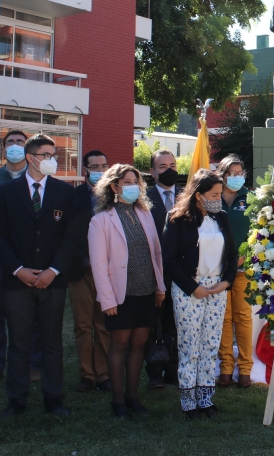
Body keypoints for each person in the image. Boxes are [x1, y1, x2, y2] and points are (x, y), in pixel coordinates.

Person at [0, 134, 77, 418]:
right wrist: (18, 270)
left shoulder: (65, 193)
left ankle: (53, 398)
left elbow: (70, 237)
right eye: (46, 155)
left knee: (52, 341)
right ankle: (16, 399)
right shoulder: (6, 192)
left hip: (52, 281)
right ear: (31, 158)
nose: (52, 160)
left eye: (54, 155)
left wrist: (53, 270)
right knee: (18, 341)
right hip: (17, 281)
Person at [88, 164, 166, 419]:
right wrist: (107, 299)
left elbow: (156, 253)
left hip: (145, 289)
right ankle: (118, 401)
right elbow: (99, 265)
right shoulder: (101, 220)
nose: (133, 186)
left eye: (136, 181)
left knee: (139, 344)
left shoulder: (144, 213)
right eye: (127, 181)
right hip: (120, 294)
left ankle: (133, 397)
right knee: (119, 344)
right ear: (114, 186)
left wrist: (159, 287)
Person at [162, 170, 238, 420]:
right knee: (190, 345)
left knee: (210, 344)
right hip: (189, 289)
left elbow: (232, 256)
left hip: (216, 288)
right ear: (198, 195)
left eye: (219, 193)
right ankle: (188, 400)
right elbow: (169, 260)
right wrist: (192, 287)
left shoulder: (222, 218)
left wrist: (226, 281)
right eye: (214, 194)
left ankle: (206, 399)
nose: (219, 198)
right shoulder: (177, 219)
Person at [0, 130, 42, 386]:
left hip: (28, 259)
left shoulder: (37, 178)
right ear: (3, 148)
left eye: (19, 142)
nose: (14, 146)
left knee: (31, 314)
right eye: (9, 142)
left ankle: (32, 364)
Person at [68, 150, 111, 393]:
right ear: (85, 170)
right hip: (81, 270)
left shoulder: (115, 198)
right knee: (83, 325)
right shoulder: (72, 197)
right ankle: (87, 374)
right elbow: (66, 236)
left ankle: (103, 374)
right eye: (94, 166)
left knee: (104, 324)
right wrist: (86, 261)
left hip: (108, 272)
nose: (100, 170)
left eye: (103, 165)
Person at [145, 148, 182, 388]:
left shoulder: (187, 196)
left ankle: (174, 370)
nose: (169, 171)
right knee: (153, 322)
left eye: (173, 166)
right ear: (152, 172)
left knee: (176, 322)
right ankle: (154, 373)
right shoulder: (143, 198)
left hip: (180, 271)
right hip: (151, 270)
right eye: (162, 167)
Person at [217, 155, 253, 388]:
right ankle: (226, 369)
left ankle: (246, 369)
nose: (237, 177)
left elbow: (258, 234)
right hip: (217, 271)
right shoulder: (211, 197)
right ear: (222, 175)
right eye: (232, 173)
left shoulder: (250, 198)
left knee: (242, 318)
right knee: (223, 318)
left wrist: (245, 257)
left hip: (243, 268)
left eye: (241, 173)